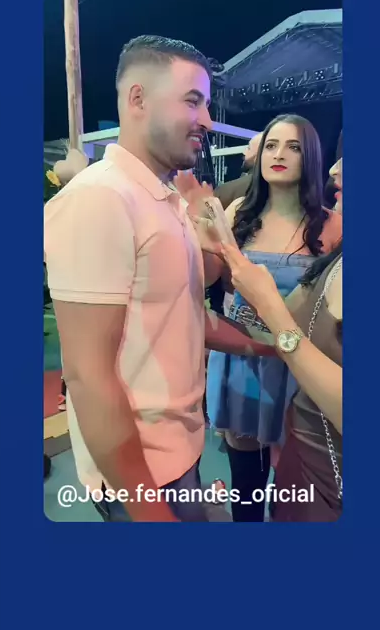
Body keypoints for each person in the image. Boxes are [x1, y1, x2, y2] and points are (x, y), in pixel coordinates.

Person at [44, 36, 278, 523]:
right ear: (138, 99)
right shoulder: (101, 199)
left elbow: (185, 314)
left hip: (179, 450)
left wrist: (274, 346)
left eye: (206, 104)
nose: (207, 120)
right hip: (144, 474)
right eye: (192, 101)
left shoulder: (164, 201)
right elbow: (88, 377)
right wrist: (149, 511)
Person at [203, 115, 342, 521]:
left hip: (302, 367)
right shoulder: (237, 214)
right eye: (271, 145)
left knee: (293, 483)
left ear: (310, 157)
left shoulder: (332, 226)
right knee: (245, 480)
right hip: (242, 358)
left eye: (293, 147)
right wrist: (198, 241)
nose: (279, 154)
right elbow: (210, 279)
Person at [214, 132, 262, 210]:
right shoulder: (279, 189)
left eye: (249, 148)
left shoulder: (224, 191)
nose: (244, 152)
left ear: (259, 154)